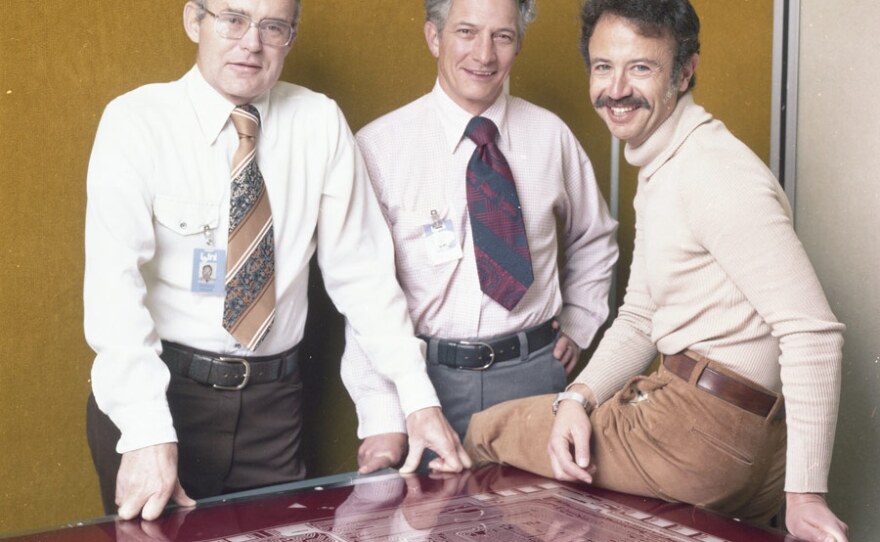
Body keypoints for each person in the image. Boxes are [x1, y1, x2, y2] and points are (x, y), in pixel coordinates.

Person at [462, 1, 850, 541]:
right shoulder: (666, 161)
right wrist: (578, 397)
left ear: (684, 71)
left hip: (701, 431)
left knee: (485, 429)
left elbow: (812, 330)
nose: (616, 89)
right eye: (603, 67)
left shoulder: (714, 172)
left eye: (640, 67)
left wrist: (806, 496)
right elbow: (642, 315)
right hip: (729, 430)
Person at [84, 0, 468, 521]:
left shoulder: (320, 121)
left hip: (274, 407)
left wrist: (418, 400)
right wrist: (147, 430)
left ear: (291, 35)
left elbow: (364, 278)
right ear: (194, 20)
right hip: (160, 396)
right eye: (233, 19)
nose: (251, 42)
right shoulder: (135, 122)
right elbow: (114, 291)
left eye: (272, 26)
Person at [343, 0, 618, 475]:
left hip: (534, 374)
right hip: (428, 384)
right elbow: (365, 297)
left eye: (502, 37)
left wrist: (580, 321)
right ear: (434, 37)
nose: (484, 55)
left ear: (518, 45)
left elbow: (594, 237)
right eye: (467, 32)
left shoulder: (550, 136)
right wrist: (382, 416)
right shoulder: (379, 148)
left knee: (541, 523)